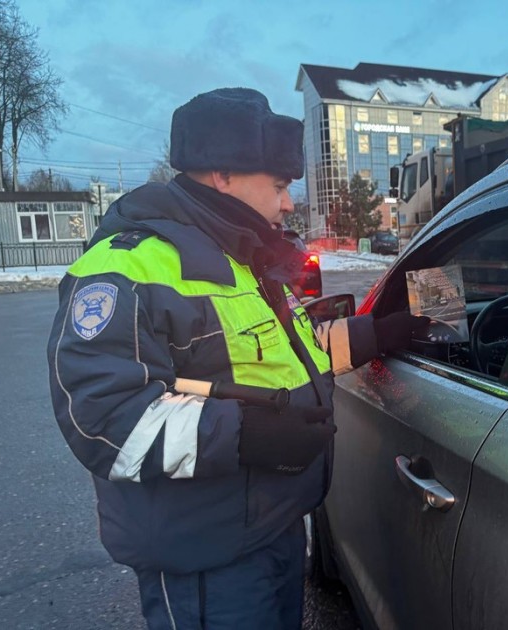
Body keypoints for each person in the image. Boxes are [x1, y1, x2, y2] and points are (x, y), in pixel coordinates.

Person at [46, 87, 428, 629]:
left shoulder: (242, 261)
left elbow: (296, 354)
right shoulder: (128, 267)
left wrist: (380, 332)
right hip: (204, 556)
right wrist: (245, 434)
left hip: (272, 528)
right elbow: (102, 417)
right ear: (221, 174)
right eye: (278, 186)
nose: (289, 203)